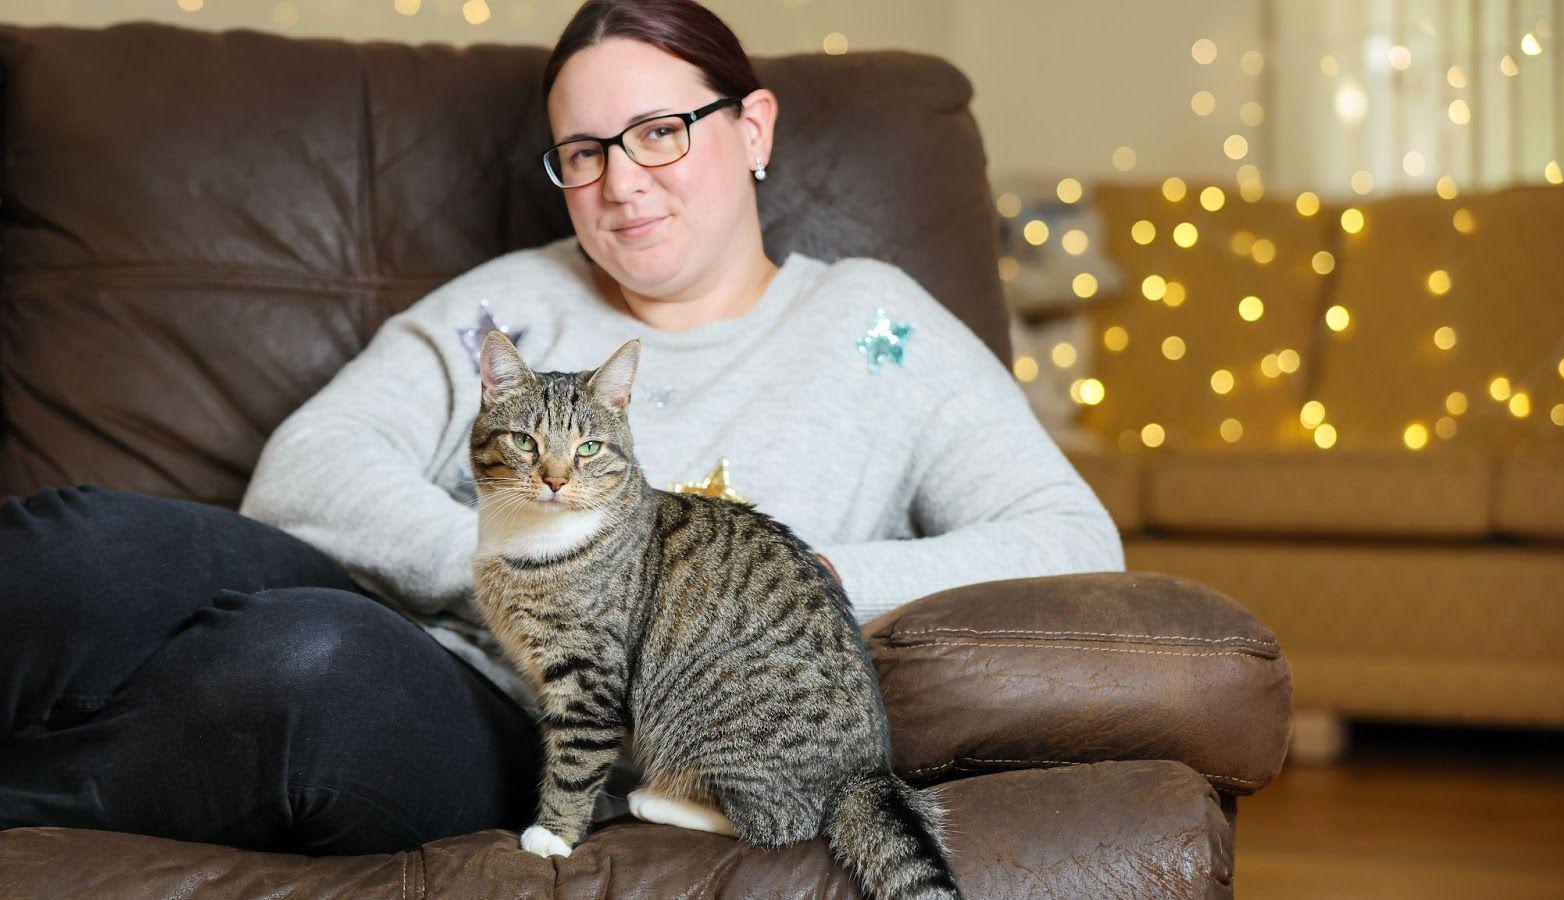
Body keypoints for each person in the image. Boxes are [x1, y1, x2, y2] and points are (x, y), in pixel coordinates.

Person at [0, 0, 1122, 857]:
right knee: (84, 545)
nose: (620, 185)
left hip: (534, 728)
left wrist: (829, 576)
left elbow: (1071, 540)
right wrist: (519, 574)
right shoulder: (516, 304)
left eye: (659, 132)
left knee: (300, 665)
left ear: (753, 129)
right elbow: (307, 470)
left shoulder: (877, 325)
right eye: (583, 153)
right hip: (436, 620)